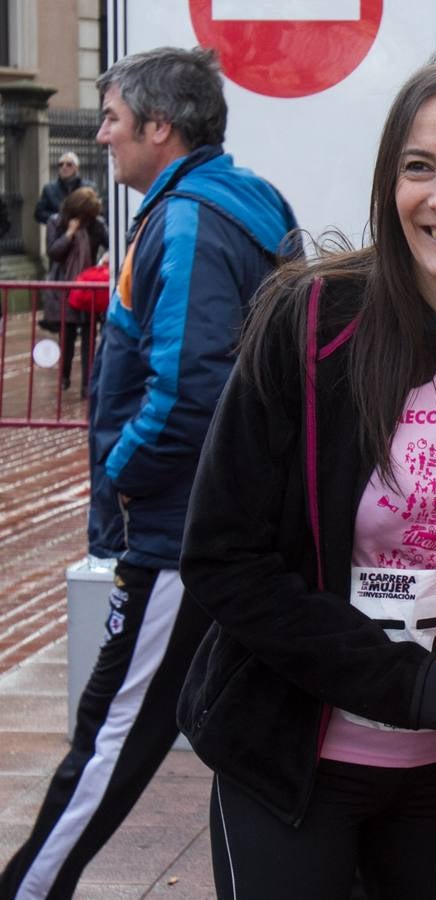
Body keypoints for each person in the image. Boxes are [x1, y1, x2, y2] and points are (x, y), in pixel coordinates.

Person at [174, 53, 436, 900]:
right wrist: (411, 686)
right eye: (417, 168)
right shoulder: (310, 324)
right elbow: (223, 559)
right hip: (292, 759)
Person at [0, 47, 299, 900]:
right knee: (247, 738)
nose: (102, 135)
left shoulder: (188, 219)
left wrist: (125, 476)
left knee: (108, 738)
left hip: (177, 536)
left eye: (113, 119)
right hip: (230, 522)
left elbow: (189, 385)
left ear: (159, 128)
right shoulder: (236, 204)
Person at [41, 186, 109, 393]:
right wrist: (69, 234)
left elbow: (110, 244)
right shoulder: (56, 222)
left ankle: (87, 384)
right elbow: (53, 252)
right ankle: (65, 376)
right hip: (64, 288)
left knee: (89, 338)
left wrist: (106, 258)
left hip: (87, 289)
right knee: (67, 337)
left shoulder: (96, 226)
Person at [34, 152, 87, 225]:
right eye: (61, 165)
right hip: (59, 233)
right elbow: (39, 214)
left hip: (83, 231)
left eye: (69, 164)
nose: (64, 167)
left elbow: (97, 211)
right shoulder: (49, 189)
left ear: (77, 168)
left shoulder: (88, 188)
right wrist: (58, 218)